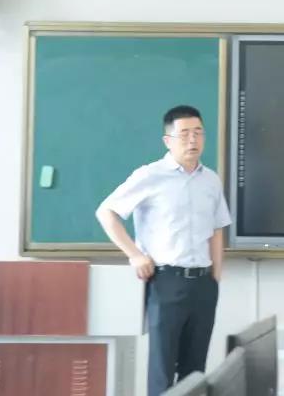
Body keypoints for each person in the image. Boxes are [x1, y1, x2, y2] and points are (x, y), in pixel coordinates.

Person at [95, 105, 231, 396]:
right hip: (166, 281)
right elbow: (106, 212)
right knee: (163, 371)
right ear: (168, 140)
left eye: (198, 133)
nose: (193, 140)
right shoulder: (150, 175)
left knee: (195, 372)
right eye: (185, 134)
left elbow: (218, 227)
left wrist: (216, 274)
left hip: (204, 284)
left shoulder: (211, 179)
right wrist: (134, 254)